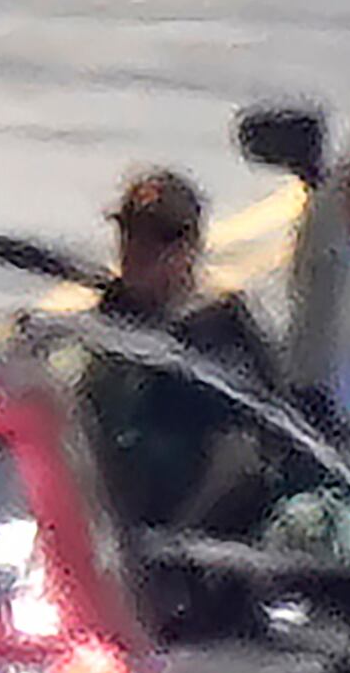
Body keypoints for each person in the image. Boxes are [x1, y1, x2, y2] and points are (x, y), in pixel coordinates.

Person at [81, 165, 288, 532]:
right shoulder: (112, 313)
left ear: (190, 248)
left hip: (191, 538)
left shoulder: (219, 334)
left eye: (160, 239)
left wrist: (179, 533)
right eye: (130, 233)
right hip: (98, 516)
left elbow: (238, 455)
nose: (139, 251)